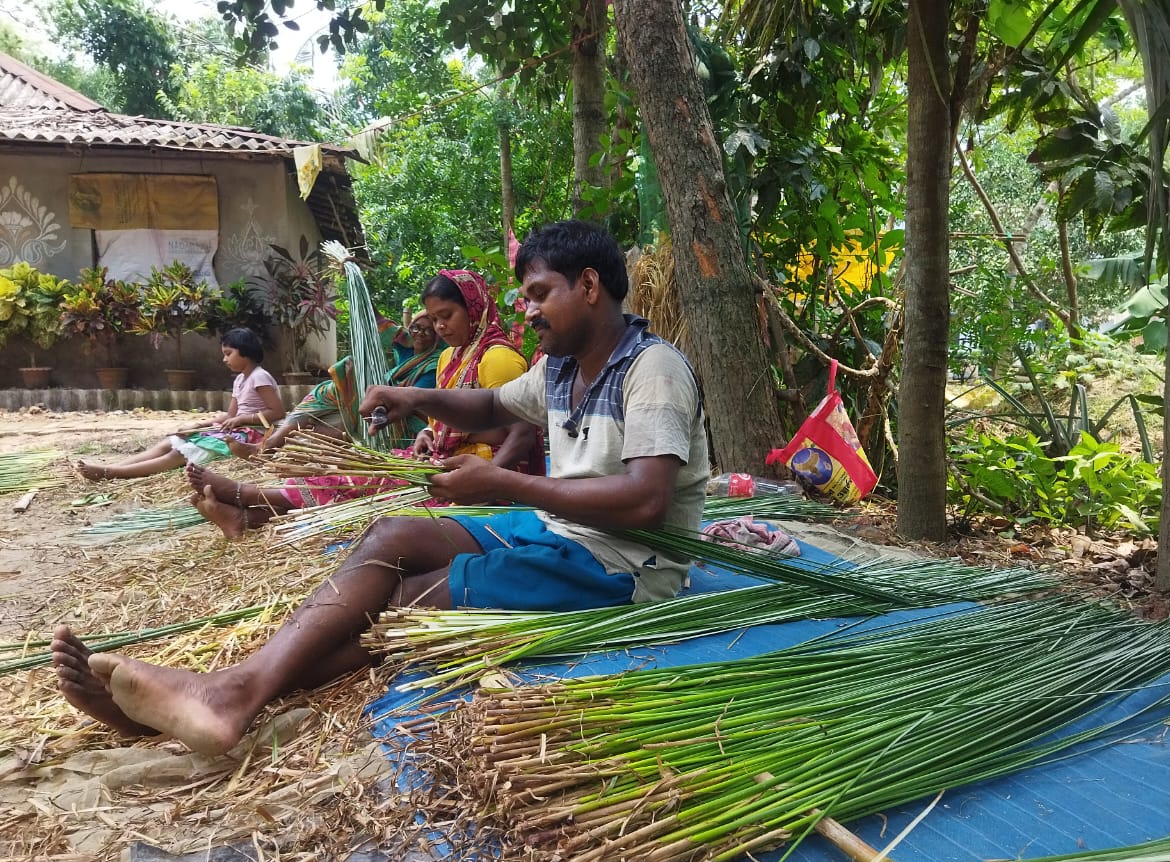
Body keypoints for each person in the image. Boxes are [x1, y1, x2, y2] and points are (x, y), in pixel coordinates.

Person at [51, 220, 709, 756]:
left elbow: (645, 500)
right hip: (561, 532)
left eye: (539, 293)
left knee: (401, 602)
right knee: (391, 533)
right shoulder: (564, 369)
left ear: (589, 286)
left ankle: (224, 697)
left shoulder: (652, 371)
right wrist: (410, 394)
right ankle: (223, 696)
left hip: (627, 566)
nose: (527, 309)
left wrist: (502, 482)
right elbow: (485, 407)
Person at [186, 269, 540, 539]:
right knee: (362, 471)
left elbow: (522, 434)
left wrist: (492, 484)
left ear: (474, 307)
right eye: (434, 319)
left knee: (385, 496)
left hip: (487, 470)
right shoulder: (451, 356)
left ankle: (247, 495)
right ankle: (248, 516)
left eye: (447, 315)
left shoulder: (498, 358)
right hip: (446, 460)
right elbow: (445, 418)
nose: (440, 326)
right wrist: (427, 436)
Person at [75, 328, 285, 481]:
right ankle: (111, 467)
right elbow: (229, 416)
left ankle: (111, 474)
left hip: (252, 435)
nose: (224, 359)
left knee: (180, 453)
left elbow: (277, 412)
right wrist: (198, 426)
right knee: (171, 441)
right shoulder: (240, 379)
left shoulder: (260, 377)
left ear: (245, 352)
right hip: (237, 429)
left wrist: (242, 419)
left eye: (228, 353)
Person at [248, 307, 445, 457]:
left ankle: (271, 447)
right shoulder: (406, 347)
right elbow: (378, 320)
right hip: (378, 411)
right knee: (330, 400)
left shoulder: (435, 363)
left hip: (403, 425)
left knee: (341, 406)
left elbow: (410, 400)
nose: (419, 333)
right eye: (416, 327)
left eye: (428, 331)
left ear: (437, 337)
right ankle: (271, 445)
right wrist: (355, 275)